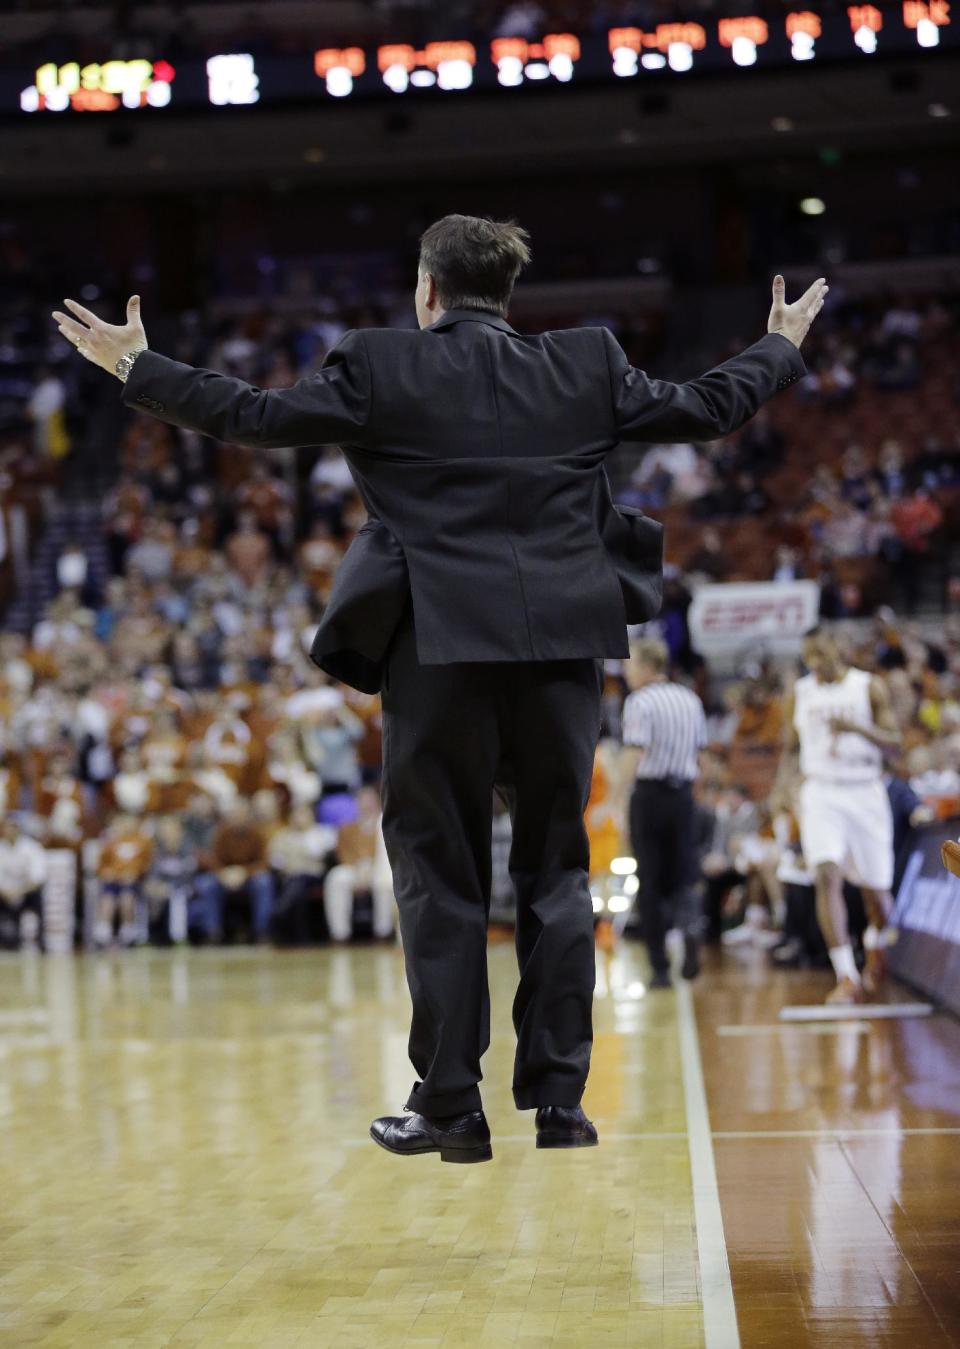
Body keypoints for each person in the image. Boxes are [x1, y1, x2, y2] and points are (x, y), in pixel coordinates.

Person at [53, 218, 823, 1163]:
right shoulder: (585, 362)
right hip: (558, 654)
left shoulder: (381, 365)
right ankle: (560, 1102)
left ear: (427, 291)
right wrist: (780, 346)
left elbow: (256, 415)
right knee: (556, 869)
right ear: (506, 296)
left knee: (440, 874)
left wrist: (139, 368)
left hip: (438, 651)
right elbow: (707, 406)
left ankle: (452, 1105)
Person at [773, 627, 901, 1005]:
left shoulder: (868, 687)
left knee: (877, 894)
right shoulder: (800, 692)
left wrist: (858, 728)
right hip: (821, 790)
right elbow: (791, 747)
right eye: (808, 656)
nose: (814, 664)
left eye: (821, 655)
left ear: (839, 650)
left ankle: (875, 949)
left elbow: (895, 746)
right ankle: (846, 975)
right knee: (825, 873)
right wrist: (783, 787)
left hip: (864, 788)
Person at [619, 638, 708, 986]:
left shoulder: (639, 702)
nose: (626, 672)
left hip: (651, 796)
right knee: (685, 876)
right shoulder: (690, 699)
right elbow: (702, 758)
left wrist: (615, 799)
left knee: (651, 880)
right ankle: (691, 929)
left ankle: (659, 969)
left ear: (645, 666)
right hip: (684, 796)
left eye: (629, 664)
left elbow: (634, 752)